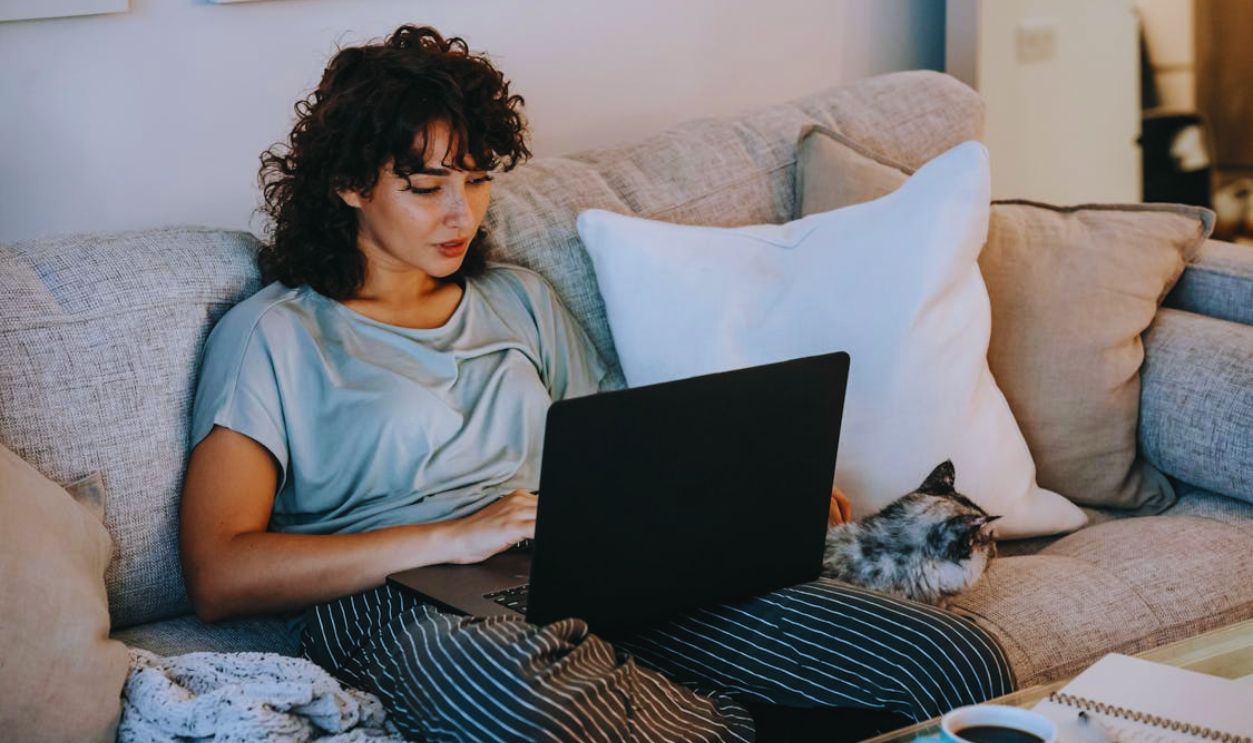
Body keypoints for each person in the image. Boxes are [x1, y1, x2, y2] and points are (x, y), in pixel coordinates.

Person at [180, 24, 1016, 742]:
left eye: (474, 181)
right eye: (426, 186)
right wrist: (448, 537)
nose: (459, 215)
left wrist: (756, 492)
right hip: (395, 597)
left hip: (577, 565)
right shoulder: (276, 335)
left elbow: (629, 450)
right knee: (517, 691)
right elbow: (220, 573)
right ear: (350, 185)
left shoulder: (517, 300)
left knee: (953, 658)